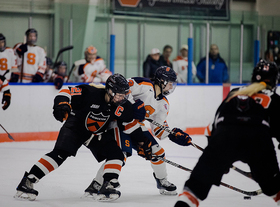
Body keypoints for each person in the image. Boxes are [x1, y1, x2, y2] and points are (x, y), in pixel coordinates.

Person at [14, 73, 151, 202]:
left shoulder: (123, 106)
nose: (122, 98)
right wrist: (61, 104)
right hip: (75, 127)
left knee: (116, 154)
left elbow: (129, 124)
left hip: (96, 134)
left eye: (124, 95)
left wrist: (142, 142)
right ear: (110, 90)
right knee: (60, 154)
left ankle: (107, 186)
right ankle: (28, 180)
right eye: (120, 95)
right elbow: (66, 92)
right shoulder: (92, 92)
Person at [175, 59, 280, 207]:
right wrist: (265, 170)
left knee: (193, 189)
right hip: (258, 138)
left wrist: (217, 160)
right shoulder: (275, 100)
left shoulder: (235, 93)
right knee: (275, 189)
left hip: (224, 137)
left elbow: (212, 127)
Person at [84, 66, 193, 197]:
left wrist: (172, 134)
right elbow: (122, 90)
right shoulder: (143, 84)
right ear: (161, 81)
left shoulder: (163, 104)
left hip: (137, 127)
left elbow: (158, 129)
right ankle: (96, 185)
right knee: (120, 154)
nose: (171, 87)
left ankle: (162, 181)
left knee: (158, 152)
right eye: (170, 83)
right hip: (120, 122)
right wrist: (132, 106)